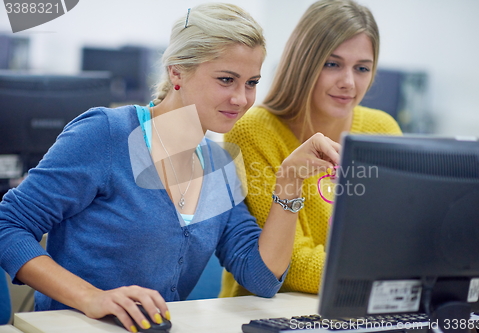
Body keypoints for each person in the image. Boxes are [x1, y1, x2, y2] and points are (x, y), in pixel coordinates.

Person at [0, 3, 340, 333]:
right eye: (226, 80)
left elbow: (261, 277)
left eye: (251, 83)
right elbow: (8, 225)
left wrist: (289, 183)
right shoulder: (106, 134)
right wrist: (91, 297)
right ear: (176, 71)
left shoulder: (219, 165)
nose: (241, 99)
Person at [220, 0, 402, 298]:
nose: (348, 82)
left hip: (361, 307)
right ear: (303, 62)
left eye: (362, 68)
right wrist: (389, 278)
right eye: (332, 64)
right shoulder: (254, 132)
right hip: (272, 315)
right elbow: (293, 263)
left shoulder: (383, 130)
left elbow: (399, 238)